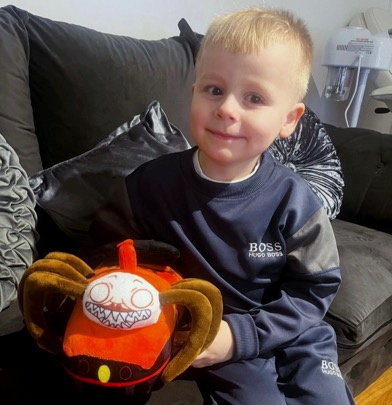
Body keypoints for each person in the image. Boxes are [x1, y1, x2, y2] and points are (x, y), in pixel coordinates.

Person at [108, 7, 355, 405]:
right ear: (193, 95)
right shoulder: (148, 186)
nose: (226, 109)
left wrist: (251, 334)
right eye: (214, 90)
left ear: (289, 120)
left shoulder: (297, 201)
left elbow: (315, 288)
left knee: (326, 398)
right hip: (216, 334)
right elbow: (111, 254)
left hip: (296, 333)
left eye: (254, 98)